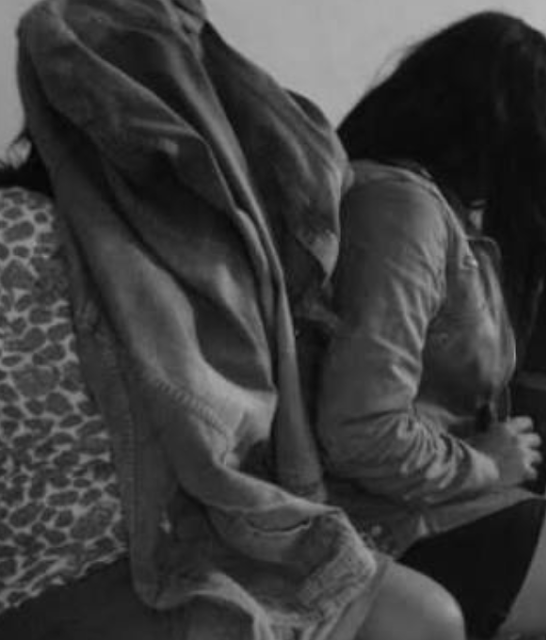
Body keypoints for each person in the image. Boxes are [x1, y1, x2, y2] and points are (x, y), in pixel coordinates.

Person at [0, 3, 465, 637]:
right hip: (57, 568)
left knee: (427, 616)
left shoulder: (214, 243)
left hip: (207, 526)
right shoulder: (23, 235)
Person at [316, 10, 546, 639]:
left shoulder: (426, 202)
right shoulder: (400, 211)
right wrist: (488, 466)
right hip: (395, 517)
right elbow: (360, 433)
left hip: (444, 471)